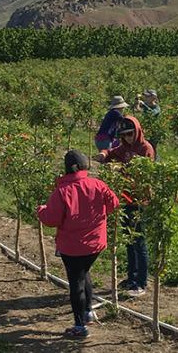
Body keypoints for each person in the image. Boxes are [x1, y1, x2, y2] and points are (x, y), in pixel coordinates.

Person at [37, 150, 119, 338]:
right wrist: (99, 215)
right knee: (84, 273)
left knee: (76, 283)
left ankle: (80, 326)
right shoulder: (98, 184)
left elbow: (51, 219)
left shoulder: (62, 191)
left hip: (72, 247)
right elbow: (113, 203)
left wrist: (41, 210)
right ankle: (88, 312)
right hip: (95, 244)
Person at [95, 116, 154, 297]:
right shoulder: (124, 148)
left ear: (137, 131)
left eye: (130, 134)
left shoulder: (145, 149)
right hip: (125, 198)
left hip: (139, 200)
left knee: (138, 241)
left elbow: (144, 175)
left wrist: (121, 170)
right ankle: (131, 277)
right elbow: (111, 152)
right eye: (124, 135)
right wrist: (104, 154)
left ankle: (141, 282)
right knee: (128, 240)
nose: (128, 138)